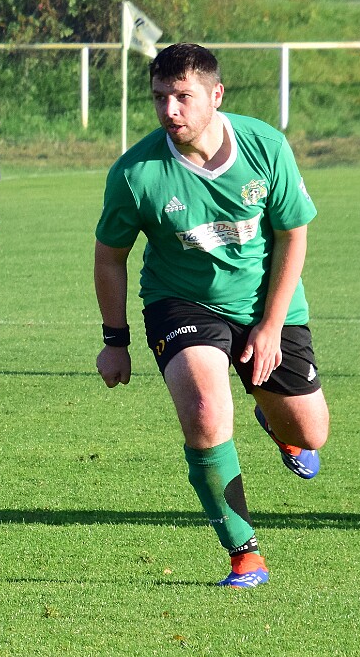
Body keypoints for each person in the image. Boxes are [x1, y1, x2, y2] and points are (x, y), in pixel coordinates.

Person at [94, 42, 329, 588]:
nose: (169, 110)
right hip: (181, 301)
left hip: (265, 301)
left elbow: (293, 235)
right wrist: (114, 340)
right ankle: (244, 553)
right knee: (204, 408)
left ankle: (280, 426)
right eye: (160, 97)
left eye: (183, 97)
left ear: (216, 95)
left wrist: (271, 326)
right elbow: (109, 256)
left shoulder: (265, 146)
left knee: (312, 432)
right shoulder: (135, 173)